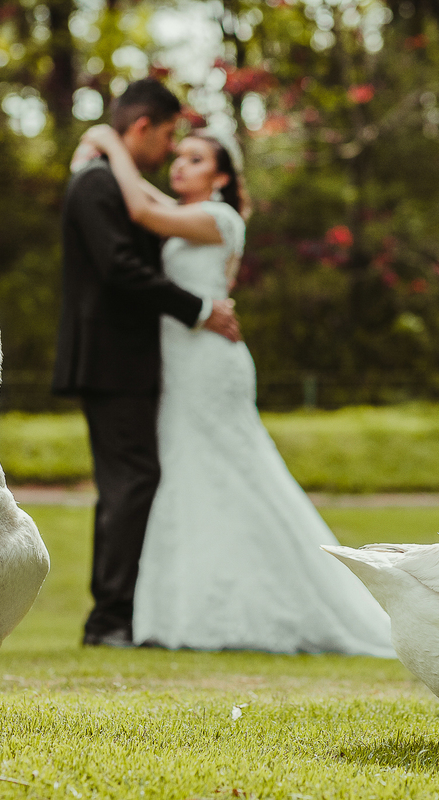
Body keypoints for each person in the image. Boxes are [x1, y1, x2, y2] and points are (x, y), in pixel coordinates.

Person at [76, 121, 395, 658]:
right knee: (188, 475)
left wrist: (108, 143)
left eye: (196, 159)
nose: (180, 165)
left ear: (222, 176)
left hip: (208, 364)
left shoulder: (218, 218)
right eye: (178, 157)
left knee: (230, 473)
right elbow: (150, 198)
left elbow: (142, 211)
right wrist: (108, 163)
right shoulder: (190, 214)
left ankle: (263, 607)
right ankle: (189, 609)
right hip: (180, 365)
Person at [53, 79, 241, 648]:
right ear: (140, 128)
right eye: (165, 137)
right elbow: (119, 269)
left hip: (136, 361)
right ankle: (109, 620)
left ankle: (129, 613)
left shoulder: (113, 181)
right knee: (130, 484)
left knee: (134, 482)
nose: (167, 153)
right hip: (112, 360)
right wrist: (200, 310)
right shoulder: (97, 184)